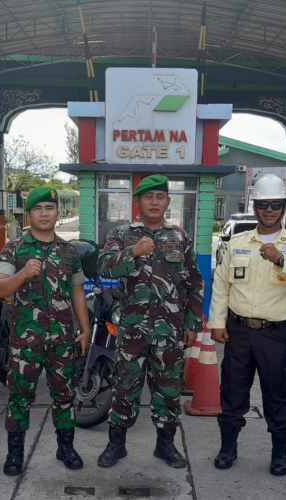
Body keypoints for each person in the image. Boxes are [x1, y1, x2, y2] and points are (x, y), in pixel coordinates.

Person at [207, 174, 286, 476]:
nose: (268, 210)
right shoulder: (237, 243)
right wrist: (216, 322)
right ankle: (228, 447)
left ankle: (280, 454)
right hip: (238, 331)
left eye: (275, 204)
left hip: (275, 334)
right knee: (232, 392)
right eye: (263, 204)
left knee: (278, 394)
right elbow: (221, 285)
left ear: (283, 207)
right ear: (254, 206)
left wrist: (282, 260)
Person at [96, 174, 203, 469]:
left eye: (160, 197)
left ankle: (165, 446)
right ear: (138, 201)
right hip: (132, 330)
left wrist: (193, 325)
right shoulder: (120, 234)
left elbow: (194, 283)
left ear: (168, 201)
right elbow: (104, 265)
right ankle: (116, 445)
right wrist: (133, 252)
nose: (154, 202)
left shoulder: (180, 237)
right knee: (124, 388)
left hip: (170, 332)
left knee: (168, 391)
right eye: (148, 197)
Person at [0, 186, 90, 476]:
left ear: (58, 213)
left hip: (62, 338)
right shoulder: (13, 249)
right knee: (20, 396)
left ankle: (66, 447)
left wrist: (84, 330)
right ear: (29, 214)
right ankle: (15, 454)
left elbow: (78, 292)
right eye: (38, 209)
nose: (44, 213)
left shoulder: (69, 251)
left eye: (50, 208)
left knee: (65, 396)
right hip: (26, 339)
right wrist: (22, 274)